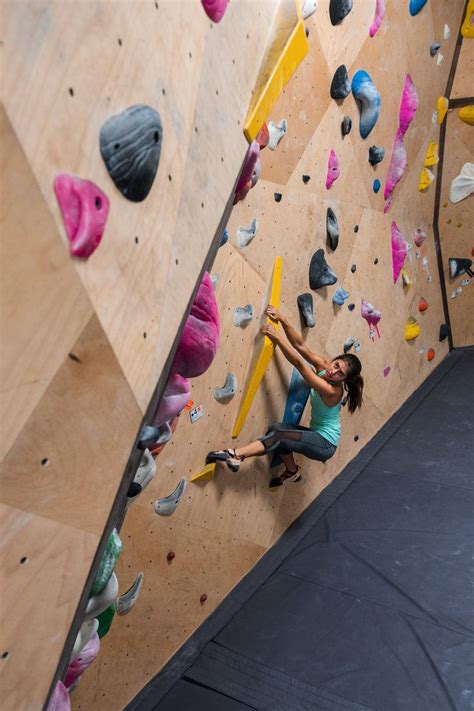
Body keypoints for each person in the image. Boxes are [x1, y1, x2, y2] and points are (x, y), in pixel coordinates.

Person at [206, 304, 364, 489]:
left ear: (344, 380)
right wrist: (282, 319)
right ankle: (292, 471)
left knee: (279, 435)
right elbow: (300, 345)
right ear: (335, 359)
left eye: (340, 374)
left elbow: (300, 363)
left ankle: (235, 455)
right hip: (316, 433)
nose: (333, 371)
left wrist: (277, 337)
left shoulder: (332, 391)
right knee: (276, 429)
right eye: (336, 365)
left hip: (325, 444)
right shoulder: (324, 366)